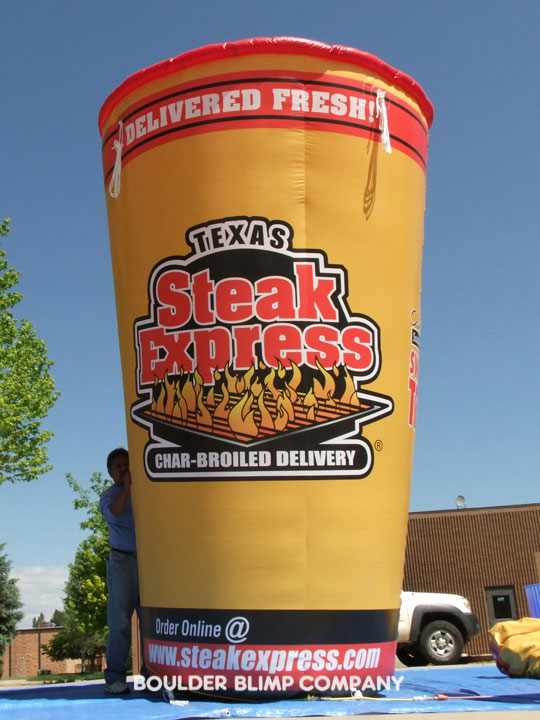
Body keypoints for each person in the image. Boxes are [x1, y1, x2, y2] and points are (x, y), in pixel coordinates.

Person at [100, 447, 144, 694]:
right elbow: (115, 514)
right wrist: (126, 489)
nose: (123, 468)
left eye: (127, 464)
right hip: (121, 562)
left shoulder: (145, 491)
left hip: (147, 561)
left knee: (150, 621)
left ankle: (153, 674)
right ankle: (115, 678)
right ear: (110, 473)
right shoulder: (109, 496)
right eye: (118, 466)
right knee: (119, 622)